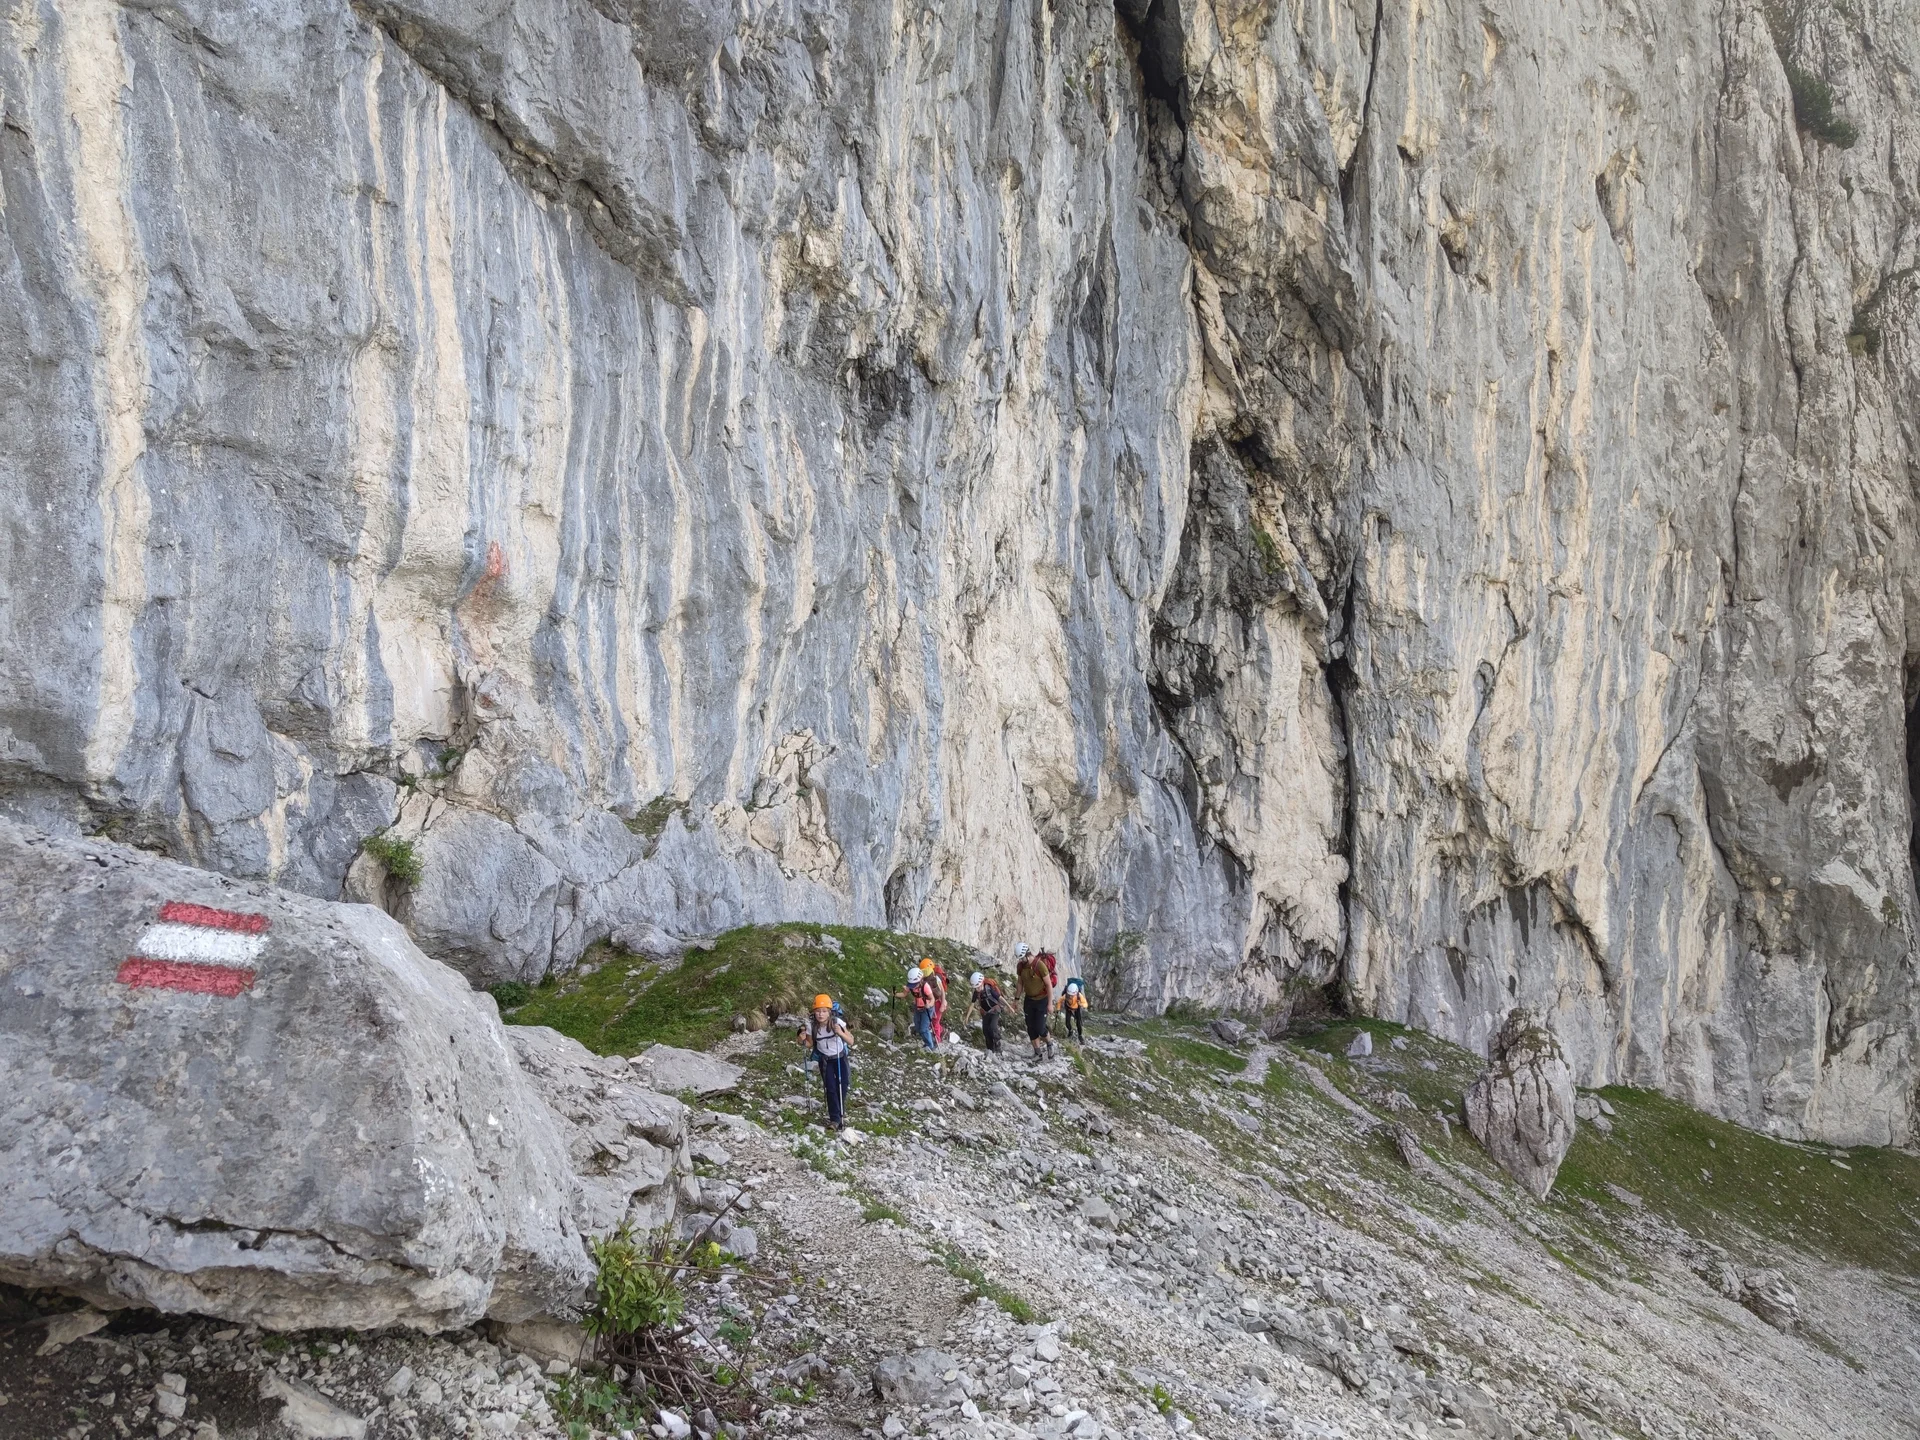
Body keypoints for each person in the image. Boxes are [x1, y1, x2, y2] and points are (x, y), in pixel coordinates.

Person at [797, 993, 854, 1130]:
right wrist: (801, 1039)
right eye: (817, 1011)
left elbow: (851, 1040)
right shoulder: (812, 1026)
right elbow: (809, 1044)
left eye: (823, 1011)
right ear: (814, 1012)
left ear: (829, 1012)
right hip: (825, 1061)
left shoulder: (837, 1023)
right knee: (831, 1088)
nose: (820, 1014)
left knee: (843, 1085)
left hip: (840, 1058)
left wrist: (840, 1033)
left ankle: (840, 1113)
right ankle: (835, 1119)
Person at [1015, 945, 1054, 1060]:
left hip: (1042, 999)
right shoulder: (1021, 966)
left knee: (1040, 1027)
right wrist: (1016, 1000)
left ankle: (1049, 1043)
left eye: (1021, 958)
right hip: (1029, 1000)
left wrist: (1050, 1003)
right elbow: (1020, 983)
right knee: (1031, 1028)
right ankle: (1038, 1053)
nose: (1020, 961)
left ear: (1027, 955)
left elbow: (1048, 985)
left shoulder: (1039, 965)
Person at [970, 969, 1006, 1053]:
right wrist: (967, 1017)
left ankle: (997, 1045)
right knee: (986, 1030)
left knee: (993, 1027)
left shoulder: (989, 989)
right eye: (975, 988)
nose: (977, 989)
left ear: (982, 983)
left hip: (995, 1010)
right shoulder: (976, 992)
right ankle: (990, 1048)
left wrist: (1009, 1007)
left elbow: (999, 997)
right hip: (985, 1012)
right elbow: (972, 1004)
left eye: (978, 987)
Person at [906, 964, 938, 1050]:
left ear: (920, 981)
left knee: (923, 1029)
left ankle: (930, 1047)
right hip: (918, 1008)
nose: (913, 987)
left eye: (915, 984)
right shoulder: (912, 986)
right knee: (918, 1027)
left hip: (927, 1009)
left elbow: (932, 999)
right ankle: (930, 1040)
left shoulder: (925, 987)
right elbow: (905, 993)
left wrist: (929, 1005)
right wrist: (895, 994)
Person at [920, 957, 949, 1043]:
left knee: (935, 1022)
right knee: (933, 1021)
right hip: (933, 1003)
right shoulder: (926, 979)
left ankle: (937, 1040)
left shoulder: (936, 979)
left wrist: (943, 1003)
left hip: (938, 1003)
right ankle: (943, 1031)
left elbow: (942, 992)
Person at [1057, 976, 1088, 1042]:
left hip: (1077, 1009)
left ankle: (1080, 1035)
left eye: (1072, 995)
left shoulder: (1079, 995)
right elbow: (1060, 1001)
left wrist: (1081, 1004)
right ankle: (1070, 1031)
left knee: (1078, 1024)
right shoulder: (1066, 995)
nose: (1070, 996)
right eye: (1069, 995)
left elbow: (1086, 1004)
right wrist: (1058, 1009)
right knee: (1067, 1023)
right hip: (1068, 1008)